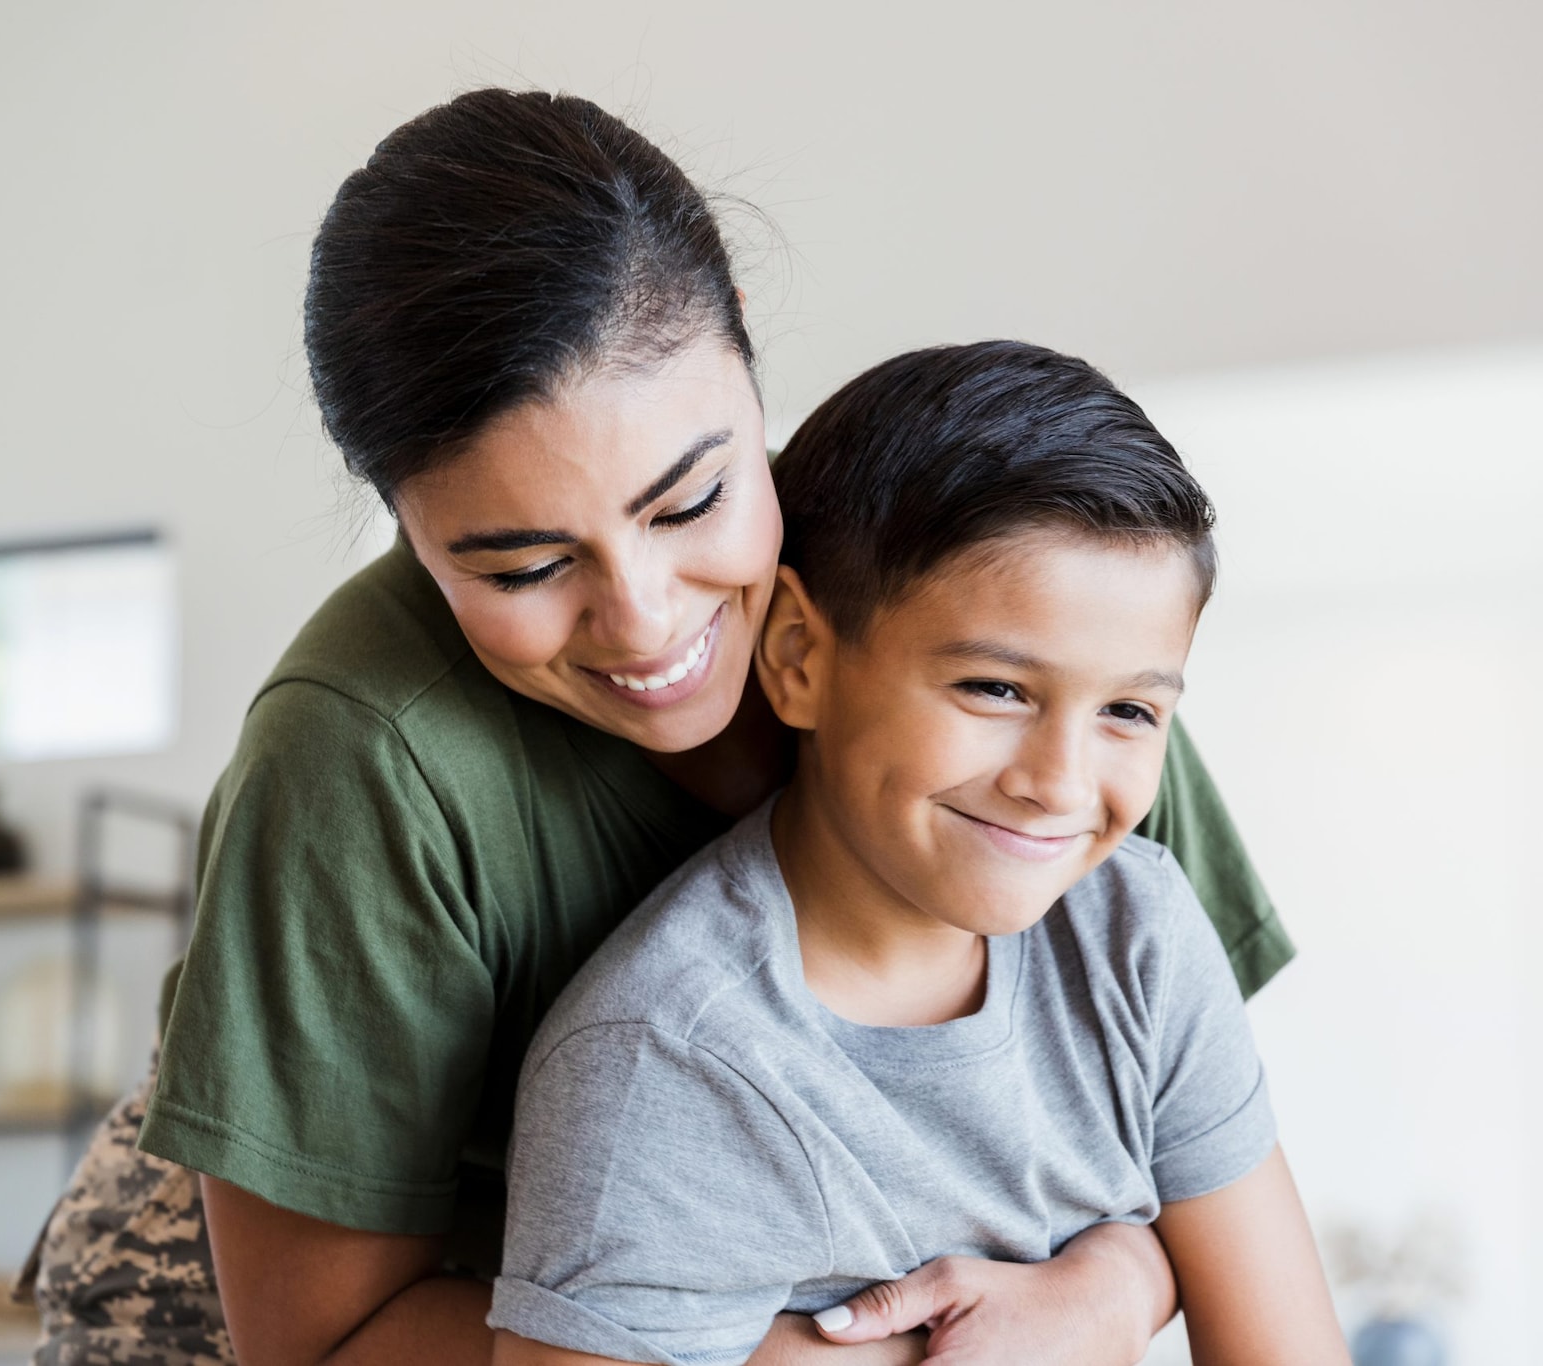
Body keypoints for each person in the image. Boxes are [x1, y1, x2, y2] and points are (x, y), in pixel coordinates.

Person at [23, 90, 1294, 1366]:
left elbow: (1177, 1122)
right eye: (521, 566)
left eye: (691, 498)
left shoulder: (998, 648)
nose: (641, 623)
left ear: (753, 390)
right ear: (409, 538)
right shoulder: (363, 754)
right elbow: (321, 1337)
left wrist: (1111, 1286)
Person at [489, 342, 1346, 1366]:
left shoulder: (1137, 936)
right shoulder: (662, 1064)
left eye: (1126, 709)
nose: (1059, 782)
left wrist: (1123, 1277)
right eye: (994, 689)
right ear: (799, 655)